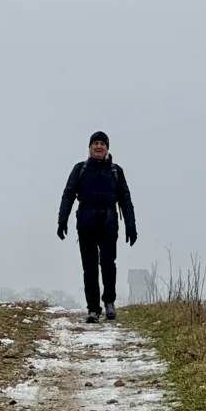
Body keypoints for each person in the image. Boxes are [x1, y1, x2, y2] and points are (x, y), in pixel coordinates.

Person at [57, 131, 137, 322]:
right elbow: (68, 195)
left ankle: (109, 302)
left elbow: (125, 201)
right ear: (90, 147)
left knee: (108, 264)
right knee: (90, 267)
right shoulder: (80, 169)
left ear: (107, 148)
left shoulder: (116, 171)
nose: (99, 147)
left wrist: (130, 225)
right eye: (95, 143)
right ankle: (93, 308)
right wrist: (62, 220)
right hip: (85, 224)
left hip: (109, 224)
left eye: (102, 144)